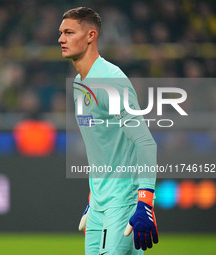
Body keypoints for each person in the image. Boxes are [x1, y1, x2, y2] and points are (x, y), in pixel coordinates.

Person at [58, 7, 158, 255]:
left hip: (122, 203)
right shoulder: (79, 83)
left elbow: (145, 143)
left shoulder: (111, 81)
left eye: (69, 32)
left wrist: (145, 201)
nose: (61, 39)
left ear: (91, 35)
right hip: (99, 204)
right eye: (61, 33)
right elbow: (102, 147)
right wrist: (94, 196)